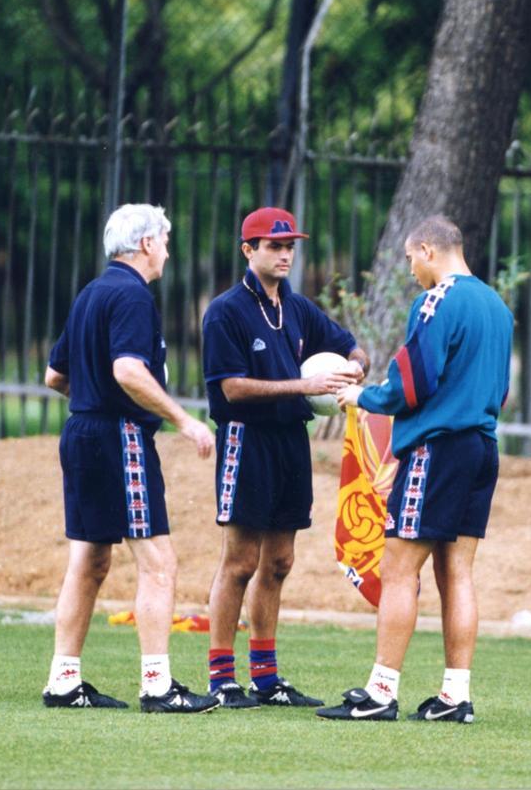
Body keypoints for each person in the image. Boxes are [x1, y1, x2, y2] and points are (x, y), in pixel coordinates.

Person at [317, 215, 513, 724]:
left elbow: (412, 383)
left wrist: (363, 396)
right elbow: (501, 393)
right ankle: (455, 697)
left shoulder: (438, 300)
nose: (410, 272)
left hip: (437, 449)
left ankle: (381, 692)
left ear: (428, 249)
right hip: (481, 447)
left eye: (409, 259)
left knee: (399, 568)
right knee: (458, 572)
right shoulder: (497, 306)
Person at [42, 203, 218, 714]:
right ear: (145, 244)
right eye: (165, 238)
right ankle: (158, 685)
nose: (167, 248)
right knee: (159, 563)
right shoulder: (133, 296)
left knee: (89, 561)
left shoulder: (91, 293)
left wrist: (91, 396)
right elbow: (128, 370)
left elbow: (55, 376)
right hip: (120, 437)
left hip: (80, 432)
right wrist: (183, 421)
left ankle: (63, 680)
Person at [201, 206, 369, 708]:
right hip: (246, 440)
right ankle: (221, 678)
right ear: (248, 250)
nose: (284, 255)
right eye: (274, 246)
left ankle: (267, 679)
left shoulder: (296, 308)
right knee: (240, 562)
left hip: (290, 441)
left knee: (279, 561)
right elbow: (231, 388)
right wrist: (305, 384)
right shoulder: (225, 311)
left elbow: (352, 347)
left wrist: (354, 369)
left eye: (290, 246)